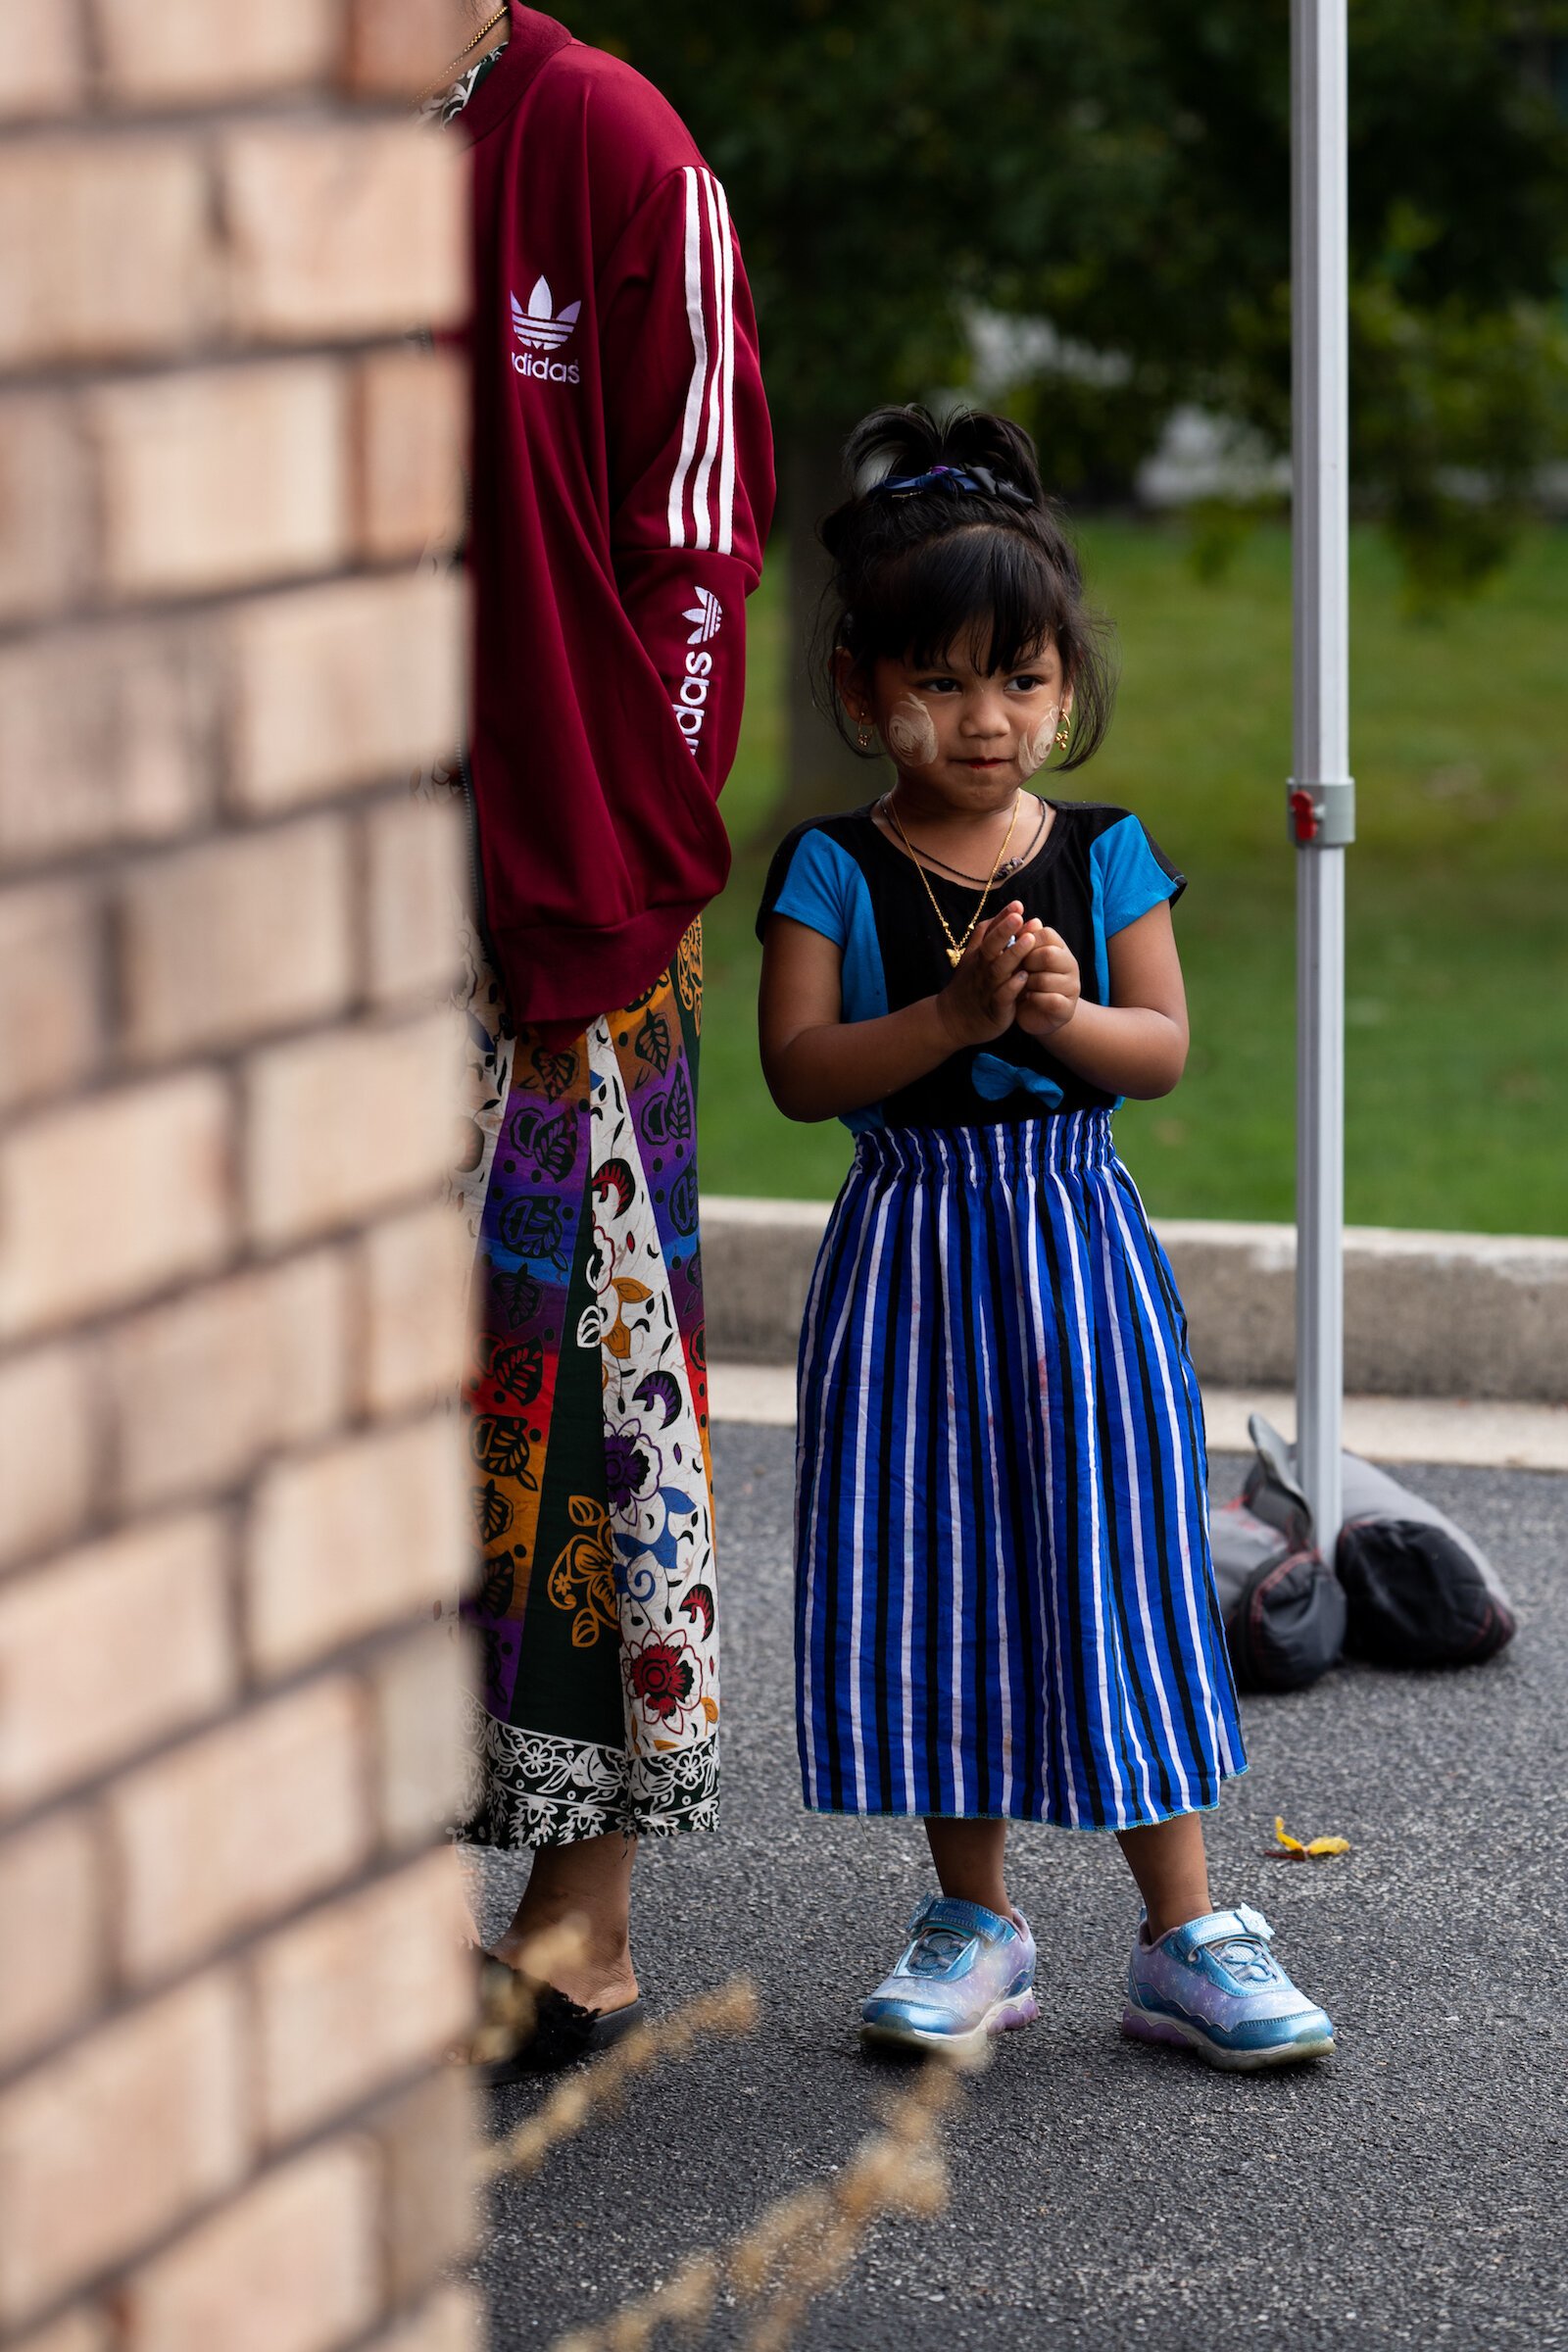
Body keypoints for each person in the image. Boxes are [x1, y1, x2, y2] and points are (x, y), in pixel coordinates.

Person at [756, 406, 1333, 2070]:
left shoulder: (1103, 854)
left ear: (1066, 684)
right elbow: (803, 1075)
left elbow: (1160, 1051)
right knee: (934, 1568)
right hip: (912, 1257)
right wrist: (947, 1016)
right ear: (862, 686)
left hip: (1078, 1247)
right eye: (937, 681)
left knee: (1116, 1561)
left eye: (1019, 680)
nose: (984, 718)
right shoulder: (830, 867)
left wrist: (1060, 1017)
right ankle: (975, 1921)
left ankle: (1185, 1930)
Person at [435, 2, 774, 2070]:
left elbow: (696, 542)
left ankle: (580, 1916)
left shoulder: (606, 142)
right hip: (299, 880)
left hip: (566, 900)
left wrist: (626, 858)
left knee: (579, 1407)